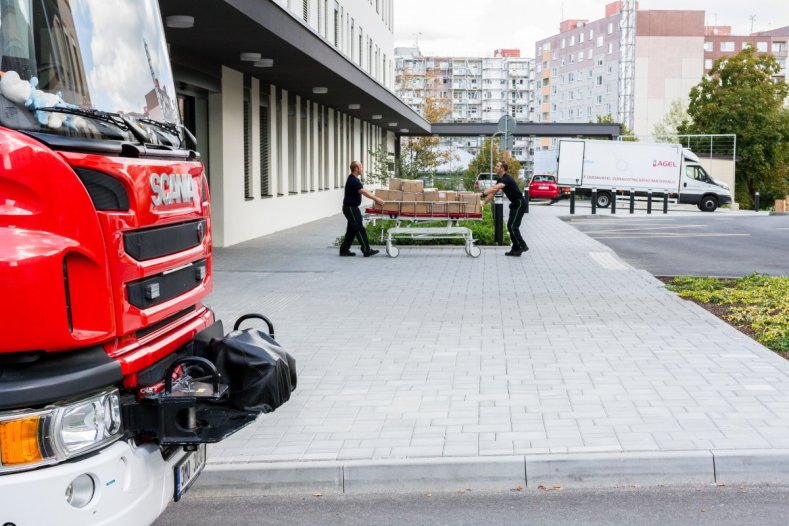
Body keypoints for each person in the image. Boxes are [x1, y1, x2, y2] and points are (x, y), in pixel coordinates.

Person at [482, 160, 529, 256]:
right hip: (515, 204)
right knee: (510, 226)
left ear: (502, 168)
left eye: (497, 166)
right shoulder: (500, 180)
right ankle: (516, 249)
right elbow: (492, 194)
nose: (495, 167)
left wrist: (481, 194)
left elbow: (494, 188)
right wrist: (483, 202)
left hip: (520, 203)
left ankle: (521, 246)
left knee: (512, 226)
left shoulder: (506, 179)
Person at [339, 161, 384, 257]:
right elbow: (363, 191)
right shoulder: (353, 180)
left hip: (351, 208)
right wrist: (376, 199)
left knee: (351, 230)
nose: (362, 168)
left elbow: (362, 190)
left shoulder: (354, 179)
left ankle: (344, 250)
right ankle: (366, 250)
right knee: (359, 228)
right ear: (356, 168)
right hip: (351, 208)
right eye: (361, 167)